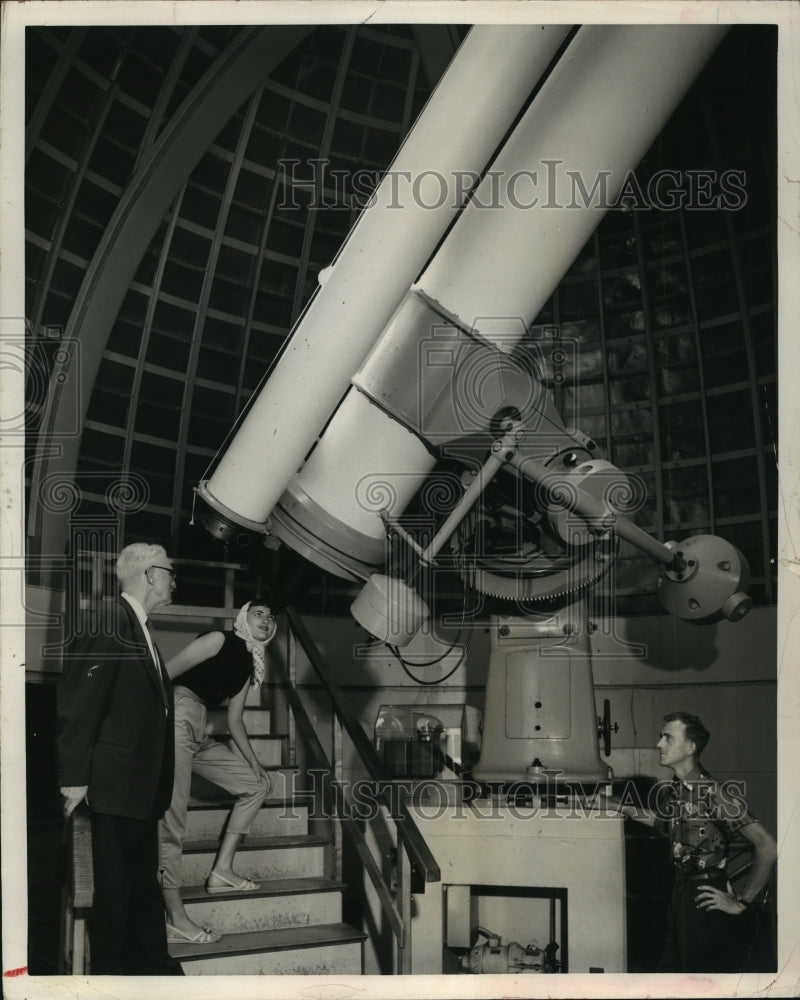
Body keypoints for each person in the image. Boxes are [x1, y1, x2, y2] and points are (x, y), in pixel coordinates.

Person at [57, 542, 184, 975]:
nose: (173, 579)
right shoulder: (111, 619)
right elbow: (80, 699)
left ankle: (155, 969)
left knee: (142, 891)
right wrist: (74, 778)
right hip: (111, 789)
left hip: (138, 790)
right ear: (149, 575)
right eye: (169, 571)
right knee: (112, 897)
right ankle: (113, 980)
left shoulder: (139, 626)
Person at [599, 711, 777, 973]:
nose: (659, 744)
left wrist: (742, 902)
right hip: (680, 893)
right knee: (672, 972)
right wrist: (616, 805)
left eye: (668, 738)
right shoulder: (677, 789)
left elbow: (767, 846)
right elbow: (663, 823)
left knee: (695, 978)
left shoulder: (711, 792)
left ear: (690, 747)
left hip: (704, 896)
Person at [158, 599, 277, 944]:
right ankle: (176, 918)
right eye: (258, 613)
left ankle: (221, 871)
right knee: (173, 822)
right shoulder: (220, 640)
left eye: (270, 617)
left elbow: (235, 719)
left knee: (256, 787)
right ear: (242, 618)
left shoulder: (251, 665)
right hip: (180, 716)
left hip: (200, 730)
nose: (266, 620)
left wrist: (255, 764)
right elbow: (164, 673)